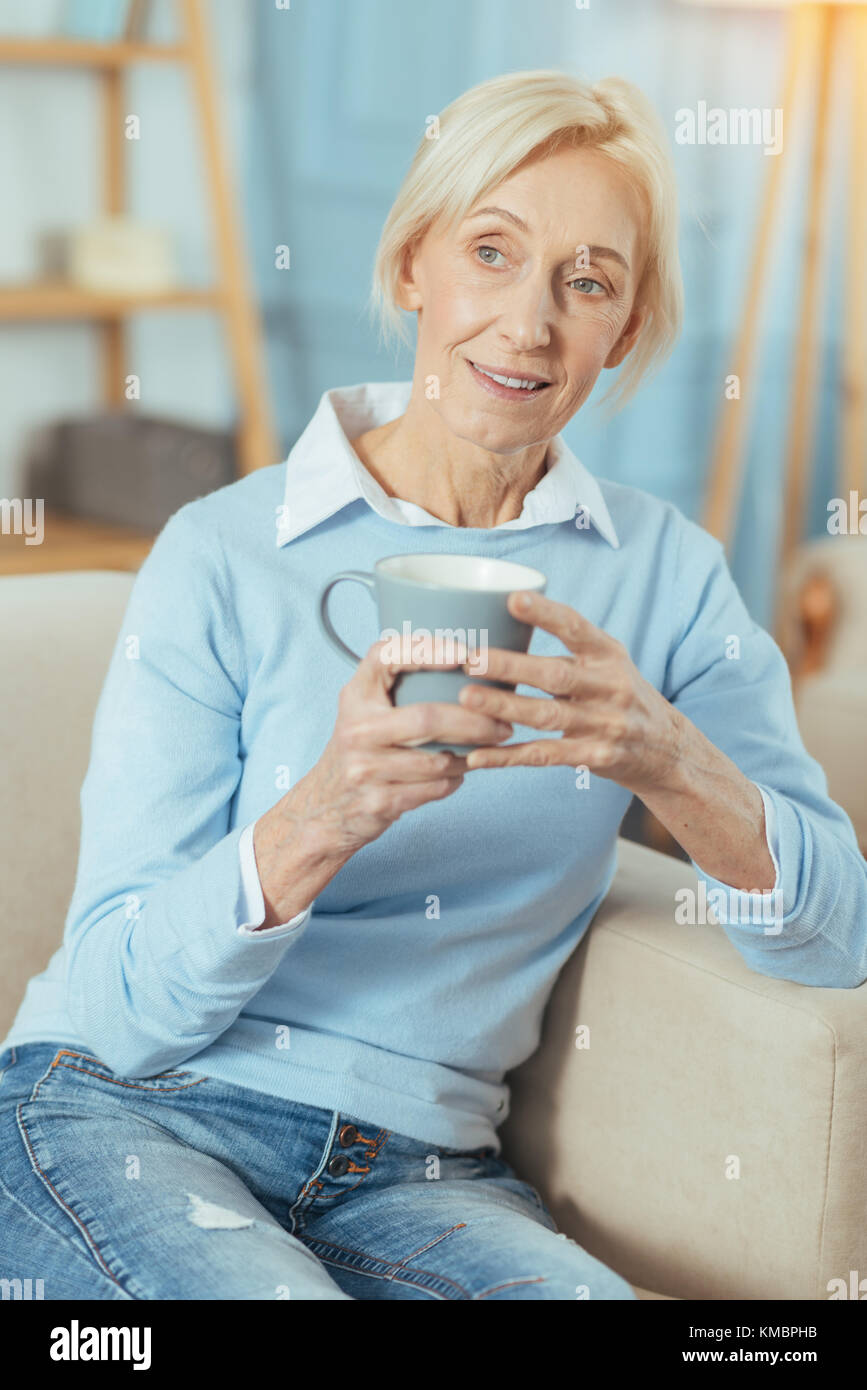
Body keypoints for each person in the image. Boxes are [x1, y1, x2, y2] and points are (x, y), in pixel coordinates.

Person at [1, 69, 864, 1302]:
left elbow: (842, 941)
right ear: (415, 264)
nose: (529, 325)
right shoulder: (224, 551)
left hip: (424, 1175)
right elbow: (122, 1007)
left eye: (589, 281)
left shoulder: (667, 576)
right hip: (123, 1112)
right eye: (493, 252)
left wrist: (669, 760)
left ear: (625, 329)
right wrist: (325, 813)